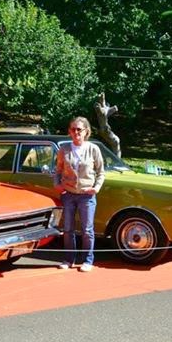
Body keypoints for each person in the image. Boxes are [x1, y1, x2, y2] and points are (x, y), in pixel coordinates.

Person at [54, 116, 105, 272]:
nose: (76, 132)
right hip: (68, 194)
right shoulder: (64, 149)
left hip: (86, 195)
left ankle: (88, 260)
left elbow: (101, 172)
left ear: (86, 131)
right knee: (68, 228)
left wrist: (96, 187)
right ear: (69, 131)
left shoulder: (93, 149)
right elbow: (57, 171)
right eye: (73, 129)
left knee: (87, 230)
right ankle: (69, 259)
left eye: (79, 129)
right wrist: (57, 185)